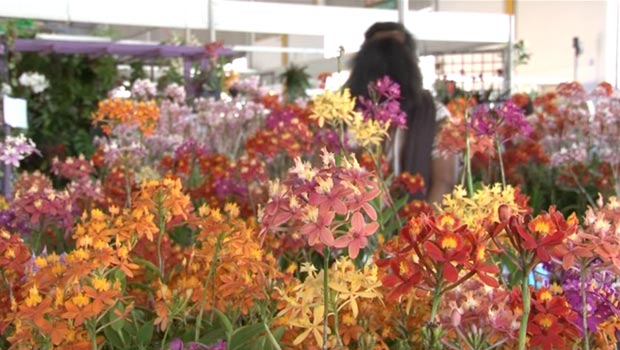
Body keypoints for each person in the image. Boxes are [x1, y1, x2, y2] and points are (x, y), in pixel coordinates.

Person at [346, 22, 459, 204]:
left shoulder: (435, 114)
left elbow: (444, 182)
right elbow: (444, 182)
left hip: (411, 224)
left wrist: (418, 230)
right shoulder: (346, 113)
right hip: (358, 228)